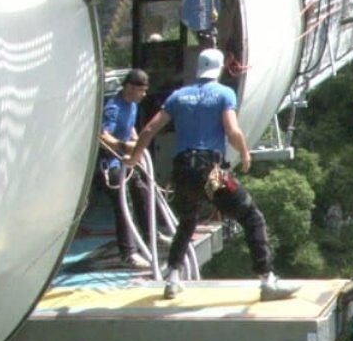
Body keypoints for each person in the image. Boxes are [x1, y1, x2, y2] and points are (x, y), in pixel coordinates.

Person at [125, 48, 296, 301]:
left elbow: (150, 128)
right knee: (251, 216)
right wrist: (245, 154)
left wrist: (135, 157)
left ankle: (172, 278)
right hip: (209, 172)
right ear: (219, 69)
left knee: (187, 220)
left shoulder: (178, 96)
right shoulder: (223, 94)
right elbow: (232, 130)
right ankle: (267, 278)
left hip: (181, 171)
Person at [98, 68, 160, 270]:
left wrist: (137, 145)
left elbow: (130, 128)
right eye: (140, 90)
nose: (143, 95)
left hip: (127, 162)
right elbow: (103, 137)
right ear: (129, 87)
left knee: (142, 192)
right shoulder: (113, 108)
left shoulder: (132, 105)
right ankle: (128, 253)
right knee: (124, 205)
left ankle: (151, 236)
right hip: (112, 164)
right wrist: (125, 147)